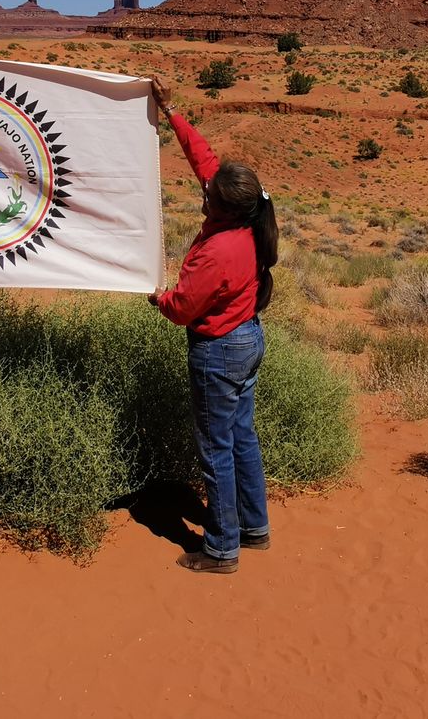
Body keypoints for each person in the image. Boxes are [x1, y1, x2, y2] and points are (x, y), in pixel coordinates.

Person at [147, 77, 278, 574]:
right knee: (241, 434)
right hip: (247, 339)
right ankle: (254, 527)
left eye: (209, 197)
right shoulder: (244, 218)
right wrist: (172, 111)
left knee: (215, 450)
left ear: (220, 207)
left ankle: (222, 549)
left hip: (218, 348)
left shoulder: (220, 250)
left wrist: (156, 297)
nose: (203, 194)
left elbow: (182, 307)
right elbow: (204, 159)